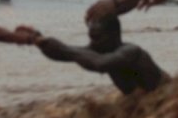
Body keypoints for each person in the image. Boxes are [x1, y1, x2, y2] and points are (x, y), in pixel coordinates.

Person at [35, 16, 170, 95]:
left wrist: (66, 50)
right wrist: (39, 41)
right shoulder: (99, 50)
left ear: (114, 34)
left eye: (97, 38)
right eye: (91, 37)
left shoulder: (130, 52)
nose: (92, 44)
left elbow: (100, 64)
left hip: (165, 95)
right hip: (139, 100)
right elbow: (63, 54)